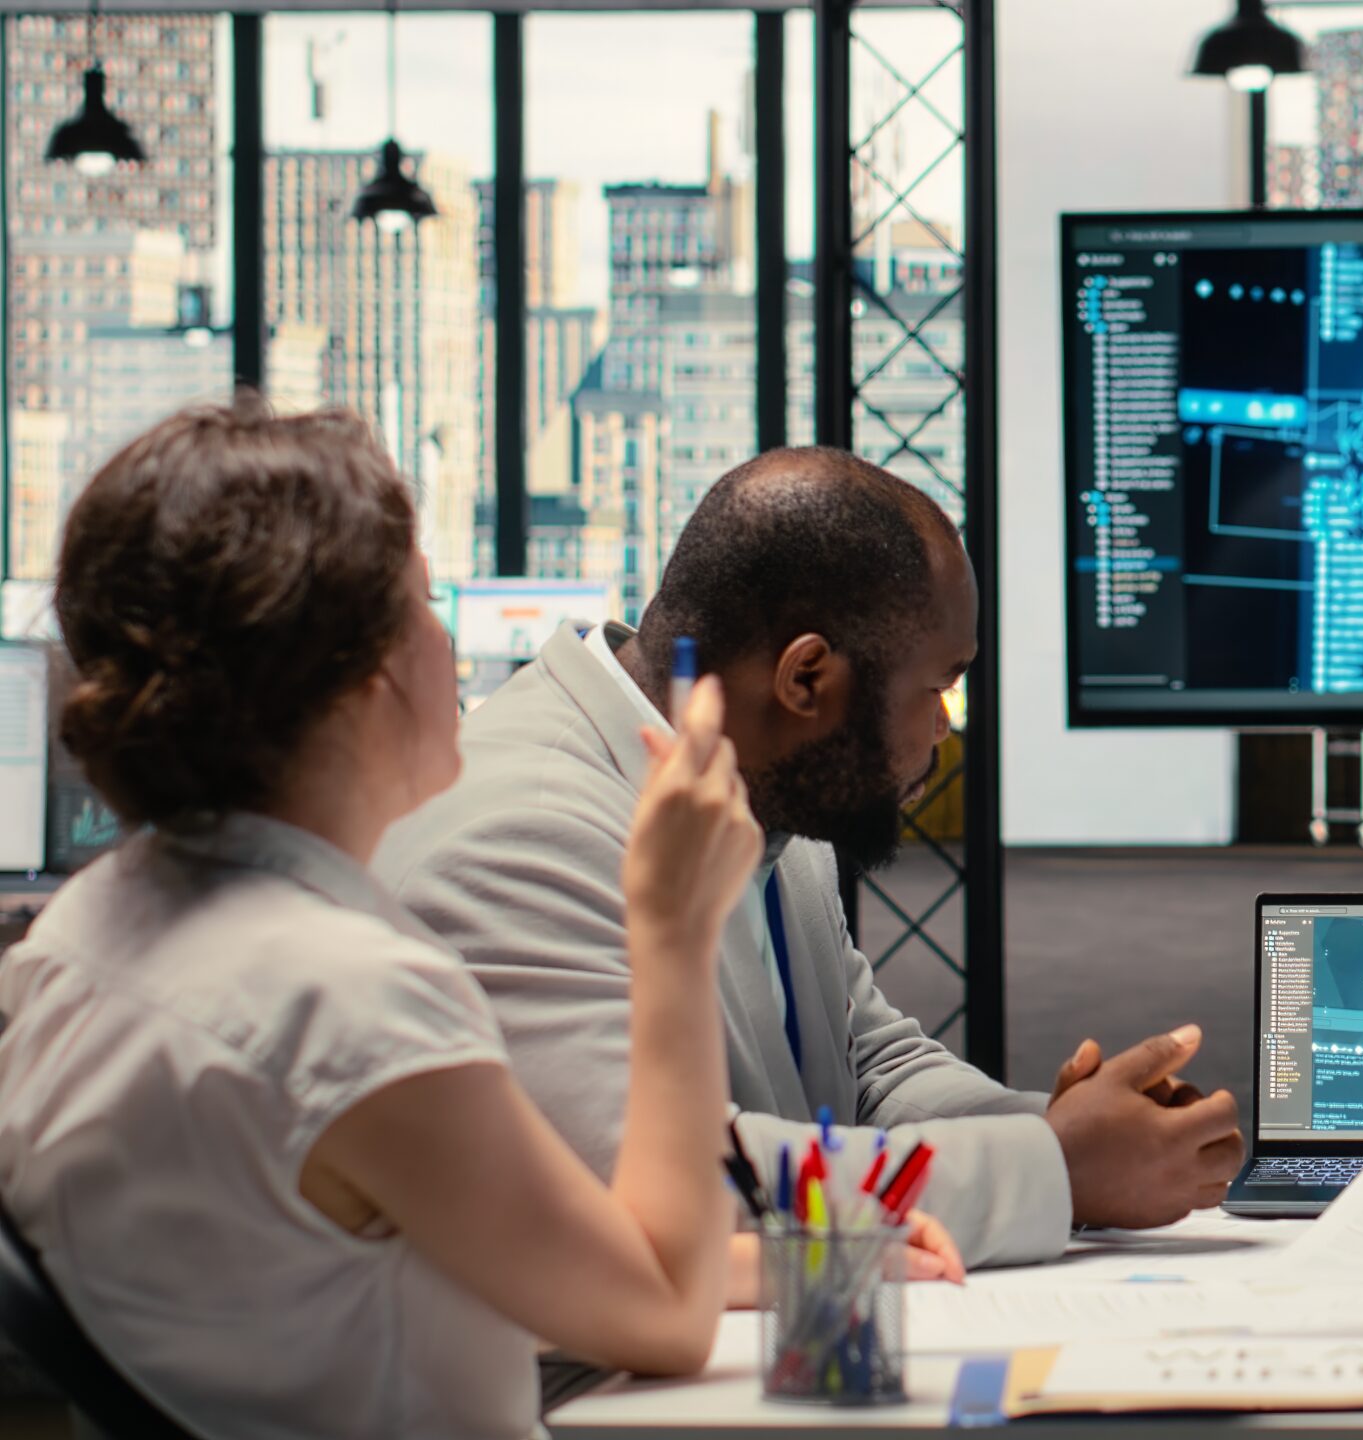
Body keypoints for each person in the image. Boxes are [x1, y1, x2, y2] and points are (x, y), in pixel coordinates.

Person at [0, 398, 783, 1438]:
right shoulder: (348, 1001)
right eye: (423, 603)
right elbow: (665, 1318)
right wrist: (673, 934)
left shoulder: (83, 933)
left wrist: (772, 1263)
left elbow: (472, 1241)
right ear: (363, 676)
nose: (449, 639)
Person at [374, 447, 1243, 1270]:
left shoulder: (757, 786)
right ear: (805, 680)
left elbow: (865, 1072)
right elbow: (681, 1192)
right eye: (937, 687)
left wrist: (1079, 1129)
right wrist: (1054, 1167)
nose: (946, 726)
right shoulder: (516, 840)